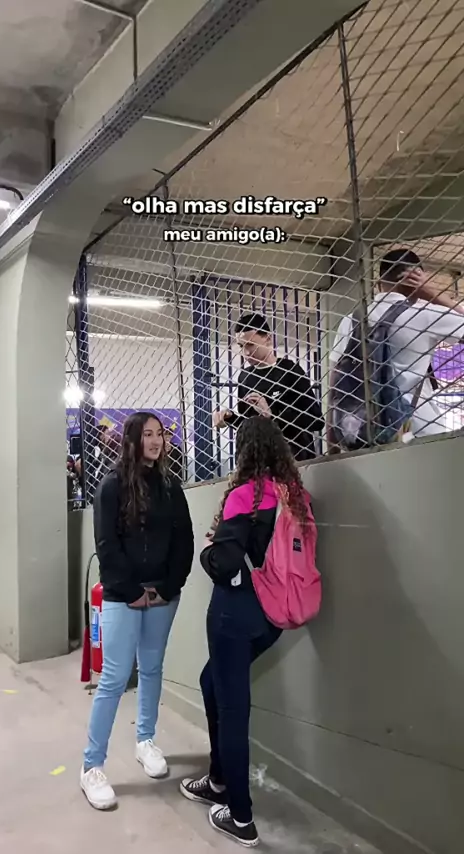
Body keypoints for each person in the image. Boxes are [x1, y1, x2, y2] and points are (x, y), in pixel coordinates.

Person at [180, 416, 312, 847]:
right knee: (210, 682)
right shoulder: (295, 497)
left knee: (233, 711)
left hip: (234, 615)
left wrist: (207, 549)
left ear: (243, 452)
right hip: (272, 618)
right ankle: (219, 778)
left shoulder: (245, 497)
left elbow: (224, 565)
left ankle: (240, 817)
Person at [80, 411, 194, 810]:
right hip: (122, 596)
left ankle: (145, 741)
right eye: (147, 434)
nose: (156, 441)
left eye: (160, 434)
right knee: (113, 678)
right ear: (132, 439)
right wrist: (131, 592)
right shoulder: (111, 486)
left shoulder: (170, 485)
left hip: (162, 595)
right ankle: (91, 766)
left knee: (152, 668)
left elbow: (184, 539)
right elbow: (107, 544)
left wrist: (168, 587)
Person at [328, 248, 464, 451]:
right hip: (419, 427)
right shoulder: (425, 315)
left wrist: (332, 439)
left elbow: (335, 381)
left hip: (362, 430)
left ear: (378, 282)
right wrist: (433, 295)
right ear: (417, 280)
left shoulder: (351, 320)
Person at [213, 313, 323, 462]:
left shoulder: (290, 371)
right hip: (261, 462)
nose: (246, 353)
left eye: (251, 345)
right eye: (241, 346)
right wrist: (230, 418)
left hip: (294, 459)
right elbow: (249, 426)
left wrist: (272, 415)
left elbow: (316, 420)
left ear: (268, 339)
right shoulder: (245, 377)